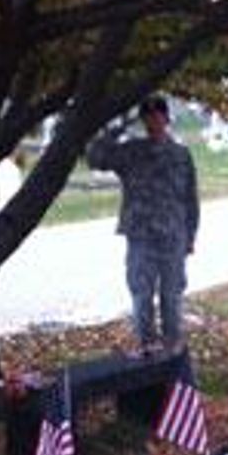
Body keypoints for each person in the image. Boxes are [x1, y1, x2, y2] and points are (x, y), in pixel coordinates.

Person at [87, 95, 199, 356]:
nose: (153, 121)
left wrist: (191, 235)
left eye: (157, 115)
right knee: (141, 296)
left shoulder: (181, 155)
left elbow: (190, 199)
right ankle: (147, 351)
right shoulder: (131, 152)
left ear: (167, 118)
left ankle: (172, 353)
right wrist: (119, 127)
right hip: (141, 238)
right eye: (147, 116)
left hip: (173, 237)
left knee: (172, 298)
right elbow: (95, 158)